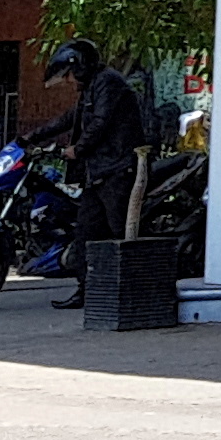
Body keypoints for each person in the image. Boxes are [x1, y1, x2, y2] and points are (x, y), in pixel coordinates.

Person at [35, 37, 153, 308]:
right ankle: (87, 292)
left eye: (69, 75)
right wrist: (29, 138)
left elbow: (100, 122)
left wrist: (77, 149)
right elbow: (68, 119)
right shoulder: (91, 89)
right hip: (97, 173)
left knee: (122, 231)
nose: (68, 81)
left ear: (81, 67)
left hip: (117, 170)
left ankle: (142, 291)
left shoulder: (108, 83)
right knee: (86, 234)